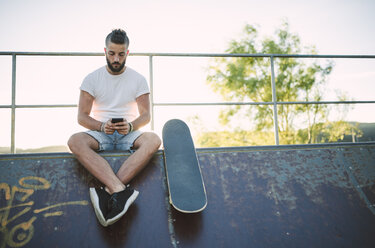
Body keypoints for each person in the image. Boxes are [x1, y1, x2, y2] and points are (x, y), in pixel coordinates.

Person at [67, 29, 161, 227]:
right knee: (75, 140)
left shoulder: (138, 79)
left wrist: (131, 125)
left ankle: (108, 191)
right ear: (105, 51)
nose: (116, 58)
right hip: (101, 134)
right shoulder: (92, 79)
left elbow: (146, 115)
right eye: (112, 53)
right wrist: (101, 126)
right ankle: (120, 190)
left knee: (153, 140)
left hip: (129, 134)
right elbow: (82, 117)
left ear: (127, 52)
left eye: (121, 53)